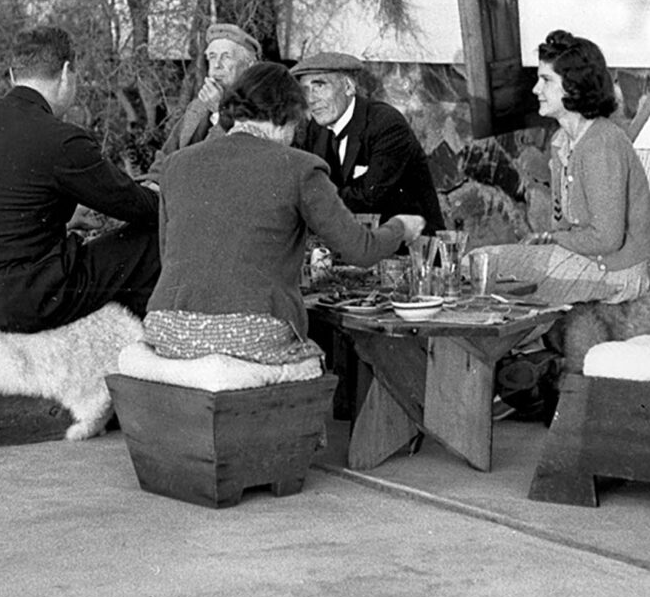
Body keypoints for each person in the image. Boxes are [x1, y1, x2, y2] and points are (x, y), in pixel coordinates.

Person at [470, 30, 650, 418]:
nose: (536, 90)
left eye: (546, 80)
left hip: (616, 271)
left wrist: (553, 241)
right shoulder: (564, 143)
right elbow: (572, 225)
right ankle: (507, 378)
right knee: (492, 265)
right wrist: (550, 240)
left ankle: (494, 380)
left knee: (484, 262)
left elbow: (607, 237)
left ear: (573, 87)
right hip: (587, 261)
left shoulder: (602, 143)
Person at [146, 63, 426, 364]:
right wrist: (401, 227)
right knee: (323, 363)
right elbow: (361, 249)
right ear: (286, 116)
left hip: (166, 329)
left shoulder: (176, 164)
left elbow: (167, 252)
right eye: (296, 126)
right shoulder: (300, 167)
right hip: (250, 330)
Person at [0, 26, 161, 334]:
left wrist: (66, 217)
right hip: (19, 301)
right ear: (66, 73)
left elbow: (2, 211)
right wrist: (158, 193)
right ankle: (143, 344)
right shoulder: (63, 140)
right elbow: (141, 208)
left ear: (13, 74)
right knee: (149, 241)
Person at [290, 50, 445, 233]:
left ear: (349, 87)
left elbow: (370, 198)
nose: (311, 99)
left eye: (320, 86)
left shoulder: (385, 124)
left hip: (409, 248)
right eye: (305, 90)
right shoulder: (316, 129)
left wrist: (308, 196)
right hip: (355, 244)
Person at [148, 22, 260, 175]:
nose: (216, 66)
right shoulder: (199, 106)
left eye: (226, 57)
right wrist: (152, 182)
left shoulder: (261, 108)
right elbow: (167, 156)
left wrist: (220, 112)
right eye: (212, 57)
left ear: (249, 66)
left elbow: (214, 165)